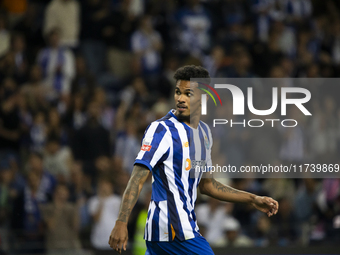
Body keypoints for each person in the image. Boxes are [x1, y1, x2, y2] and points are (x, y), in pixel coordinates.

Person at [108, 65, 279, 254]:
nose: (180, 98)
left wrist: (252, 199)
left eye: (188, 93)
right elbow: (137, 179)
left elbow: (208, 185)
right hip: (174, 230)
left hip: (173, 232)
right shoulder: (161, 130)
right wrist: (121, 222)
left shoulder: (205, 133)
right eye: (177, 92)